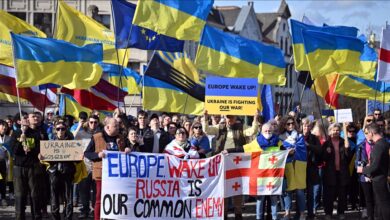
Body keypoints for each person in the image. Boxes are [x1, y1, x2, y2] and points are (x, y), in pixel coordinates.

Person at [203, 111, 259, 220]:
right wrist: (205, 118)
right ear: (224, 116)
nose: (230, 119)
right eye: (228, 117)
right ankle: (223, 214)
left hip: (237, 162)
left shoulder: (241, 127)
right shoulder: (220, 127)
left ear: (236, 117)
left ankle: (238, 212)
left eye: (232, 117)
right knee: (223, 187)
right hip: (222, 162)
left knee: (237, 186)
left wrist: (255, 119)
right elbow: (207, 130)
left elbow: (252, 131)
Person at [84, 117, 130, 220]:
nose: (118, 128)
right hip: (101, 174)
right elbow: (87, 153)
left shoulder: (121, 137)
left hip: (117, 175)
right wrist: (97, 155)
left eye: (118, 125)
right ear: (108, 127)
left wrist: (127, 149)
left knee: (116, 199)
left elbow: (126, 149)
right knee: (99, 199)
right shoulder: (96, 137)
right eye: (115, 126)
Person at [244, 122, 281, 220]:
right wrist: (228, 151)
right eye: (266, 131)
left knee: (273, 201)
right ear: (261, 131)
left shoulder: (278, 142)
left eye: (270, 131)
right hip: (261, 178)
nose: (268, 132)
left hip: (273, 177)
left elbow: (284, 152)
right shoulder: (256, 142)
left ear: (273, 131)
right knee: (260, 201)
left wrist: (290, 152)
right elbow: (243, 149)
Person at [39, 121, 75, 220]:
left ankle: (68, 217)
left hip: (67, 172)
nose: (60, 131)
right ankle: (56, 218)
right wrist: (42, 157)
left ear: (66, 130)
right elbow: (46, 157)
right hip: (54, 172)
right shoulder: (50, 142)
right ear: (55, 130)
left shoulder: (71, 142)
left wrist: (79, 156)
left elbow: (76, 159)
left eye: (62, 129)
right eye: (58, 129)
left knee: (68, 198)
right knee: (54, 197)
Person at [10, 117, 43, 220]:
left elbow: (39, 150)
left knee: (35, 194)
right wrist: (21, 140)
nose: (26, 121)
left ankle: (36, 216)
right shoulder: (15, 133)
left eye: (27, 118)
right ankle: (20, 216)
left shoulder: (35, 133)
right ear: (19, 122)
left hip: (32, 167)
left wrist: (31, 149)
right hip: (19, 167)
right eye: (23, 119)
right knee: (20, 195)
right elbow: (14, 151)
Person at [322, 123, 352, 220]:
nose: (335, 132)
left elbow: (348, 157)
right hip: (330, 173)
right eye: (333, 130)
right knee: (329, 195)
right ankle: (328, 213)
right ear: (329, 132)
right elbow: (322, 159)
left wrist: (347, 147)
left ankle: (341, 212)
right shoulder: (326, 144)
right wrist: (327, 152)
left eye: (337, 130)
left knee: (342, 194)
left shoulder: (344, 142)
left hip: (342, 172)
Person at [361, 123, 390, 220]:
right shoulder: (384, 143)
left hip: (379, 178)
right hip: (381, 177)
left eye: (367, 133)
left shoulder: (378, 145)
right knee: (380, 203)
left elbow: (375, 166)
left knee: (383, 203)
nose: (367, 135)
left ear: (372, 133)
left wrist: (363, 170)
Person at [279, 116, 306, 220]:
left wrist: (292, 149)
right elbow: (280, 150)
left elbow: (302, 149)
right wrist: (287, 152)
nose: (291, 125)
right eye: (288, 124)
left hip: (299, 165)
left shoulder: (299, 136)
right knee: (288, 191)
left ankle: (302, 213)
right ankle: (287, 213)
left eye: (292, 123)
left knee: (300, 191)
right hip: (287, 166)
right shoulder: (280, 137)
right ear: (284, 125)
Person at [74, 115, 100, 219]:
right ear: (88, 122)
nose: (93, 124)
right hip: (84, 166)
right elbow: (73, 144)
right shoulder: (81, 133)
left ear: (98, 123)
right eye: (91, 122)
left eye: (95, 122)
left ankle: (95, 210)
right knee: (83, 190)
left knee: (96, 191)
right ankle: (84, 210)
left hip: (97, 166)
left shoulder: (101, 135)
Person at [302, 118, 322, 219]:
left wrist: (309, 145)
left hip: (311, 167)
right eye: (304, 126)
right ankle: (300, 213)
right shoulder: (297, 136)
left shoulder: (314, 138)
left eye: (308, 126)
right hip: (299, 168)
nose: (306, 128)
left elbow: (319, 150)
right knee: (300, 193)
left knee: (310, 193)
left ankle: (310, 214)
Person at [356, 126, 376, 220]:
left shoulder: (378, 144)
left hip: (376, 175)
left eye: (369, 132)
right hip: (365, 175)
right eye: (366, 133)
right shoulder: (361, 145)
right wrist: (365, 174)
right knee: (368, 198)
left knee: (377, 198)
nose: (368, 135)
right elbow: (358, 162)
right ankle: (370, 216)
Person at [0, 119, 10, 206]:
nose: (4, 128)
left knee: (3, 181)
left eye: (6, 126)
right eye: (3, 126)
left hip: (3, 162)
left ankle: (3, 198)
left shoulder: (8, 138)